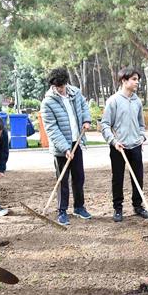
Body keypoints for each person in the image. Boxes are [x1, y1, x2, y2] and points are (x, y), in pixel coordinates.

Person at [40, 67, 93, 226]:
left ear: (66, 82)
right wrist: (65, 148)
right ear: (52, 85)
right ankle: (62, 211)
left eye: (62, 86)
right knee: (62, 179)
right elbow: (51, 128)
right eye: (57, 87)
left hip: (77, 141)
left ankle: (79, 207)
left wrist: (86, 120)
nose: (60, 89)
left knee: (79, 177)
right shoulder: (47, 102)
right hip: (61, 147)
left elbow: (84, 107)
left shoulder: (75, 93)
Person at [100, 67, 148, 223]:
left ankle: (138, 205)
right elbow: (105, 125)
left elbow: (142, 124)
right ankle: (118, 208)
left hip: (135, 145)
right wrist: (114, 142)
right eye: (134, 79)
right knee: (117, 178)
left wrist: (142, 137)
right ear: (124, 80)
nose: (137, 82)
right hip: (118, 147)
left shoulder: (137, 101)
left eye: (137, 79)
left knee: (138, 177)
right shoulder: (113, 101)